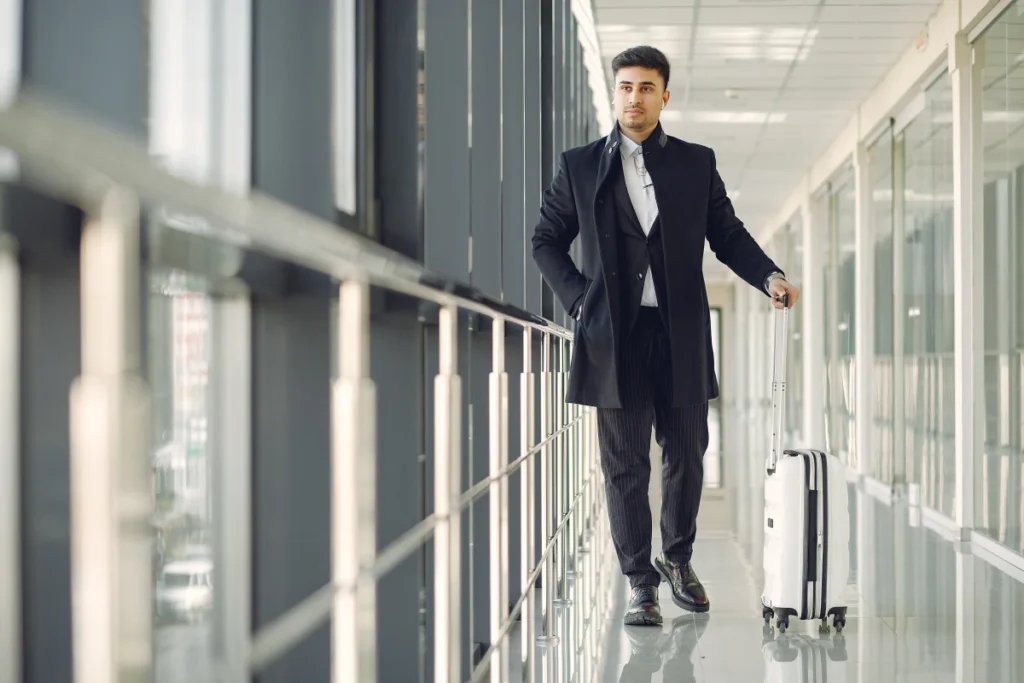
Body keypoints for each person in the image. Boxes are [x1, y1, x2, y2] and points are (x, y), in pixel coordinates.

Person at [531, 45, 800, 625]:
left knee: (688, 452)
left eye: (647, 88)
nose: (635, 97)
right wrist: (580, 301)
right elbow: (545, 240)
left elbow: (726, 233)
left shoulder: (695, 163)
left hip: (679, 331)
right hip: (615, 338)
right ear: (614, 93)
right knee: (625, 463)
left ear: (664, 96)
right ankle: (639, 583)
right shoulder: (578, 165)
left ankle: (677, 558)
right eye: (626, 87)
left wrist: (768, 275)